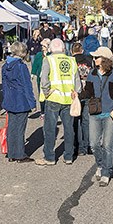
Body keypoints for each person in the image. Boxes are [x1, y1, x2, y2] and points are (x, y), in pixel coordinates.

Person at [81, 46, 113, 187]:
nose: (93, 59)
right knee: (94, 144)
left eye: (96, 57)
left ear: (104, 59)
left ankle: (106, 172)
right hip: (95, 112)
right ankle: (100, 164)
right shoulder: (92, 74)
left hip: (110, 113)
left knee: (107, 144)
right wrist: (77, 96)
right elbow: (87, 92)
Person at [37, 38, 80, 166]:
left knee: (50, 129)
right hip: (68, 98)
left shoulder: (48, 59)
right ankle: (68, 156)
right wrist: (76, 92)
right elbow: (77, 81)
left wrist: (46, 92)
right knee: (69, 129)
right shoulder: (71, 60)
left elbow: (44, 79)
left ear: (50, 49)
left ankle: (49, 157)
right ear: (63, 48)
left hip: (54, 98)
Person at [1, 42, 37, 163]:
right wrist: (32, 102)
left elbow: (4, 86)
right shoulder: (21, 66)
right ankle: (20, 154)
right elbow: (27, 86)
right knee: (20, 128)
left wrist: (5, 100)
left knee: (12, 127)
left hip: (10, 99)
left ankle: (11, 153)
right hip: (21, 100)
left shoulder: (5, 66)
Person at [72, 42, 92, 156]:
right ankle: (87, 145)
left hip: (76, 93)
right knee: (86, 121)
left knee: (76, 121)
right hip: (87, 92)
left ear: (72, 51)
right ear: (82, 50)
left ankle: (78, 146)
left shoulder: (71, 61)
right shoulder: (89, 60)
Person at [30, 38, 51, 118]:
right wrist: (33, 74)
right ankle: (43, 111)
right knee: (41, 95)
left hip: (49, 77)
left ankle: (49, 111)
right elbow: (35, 65)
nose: (42, 47)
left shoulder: (51, 55)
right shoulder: (39, 55)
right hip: (40, 78)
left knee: (49, 94)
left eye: (44, 46)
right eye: (42, 46)